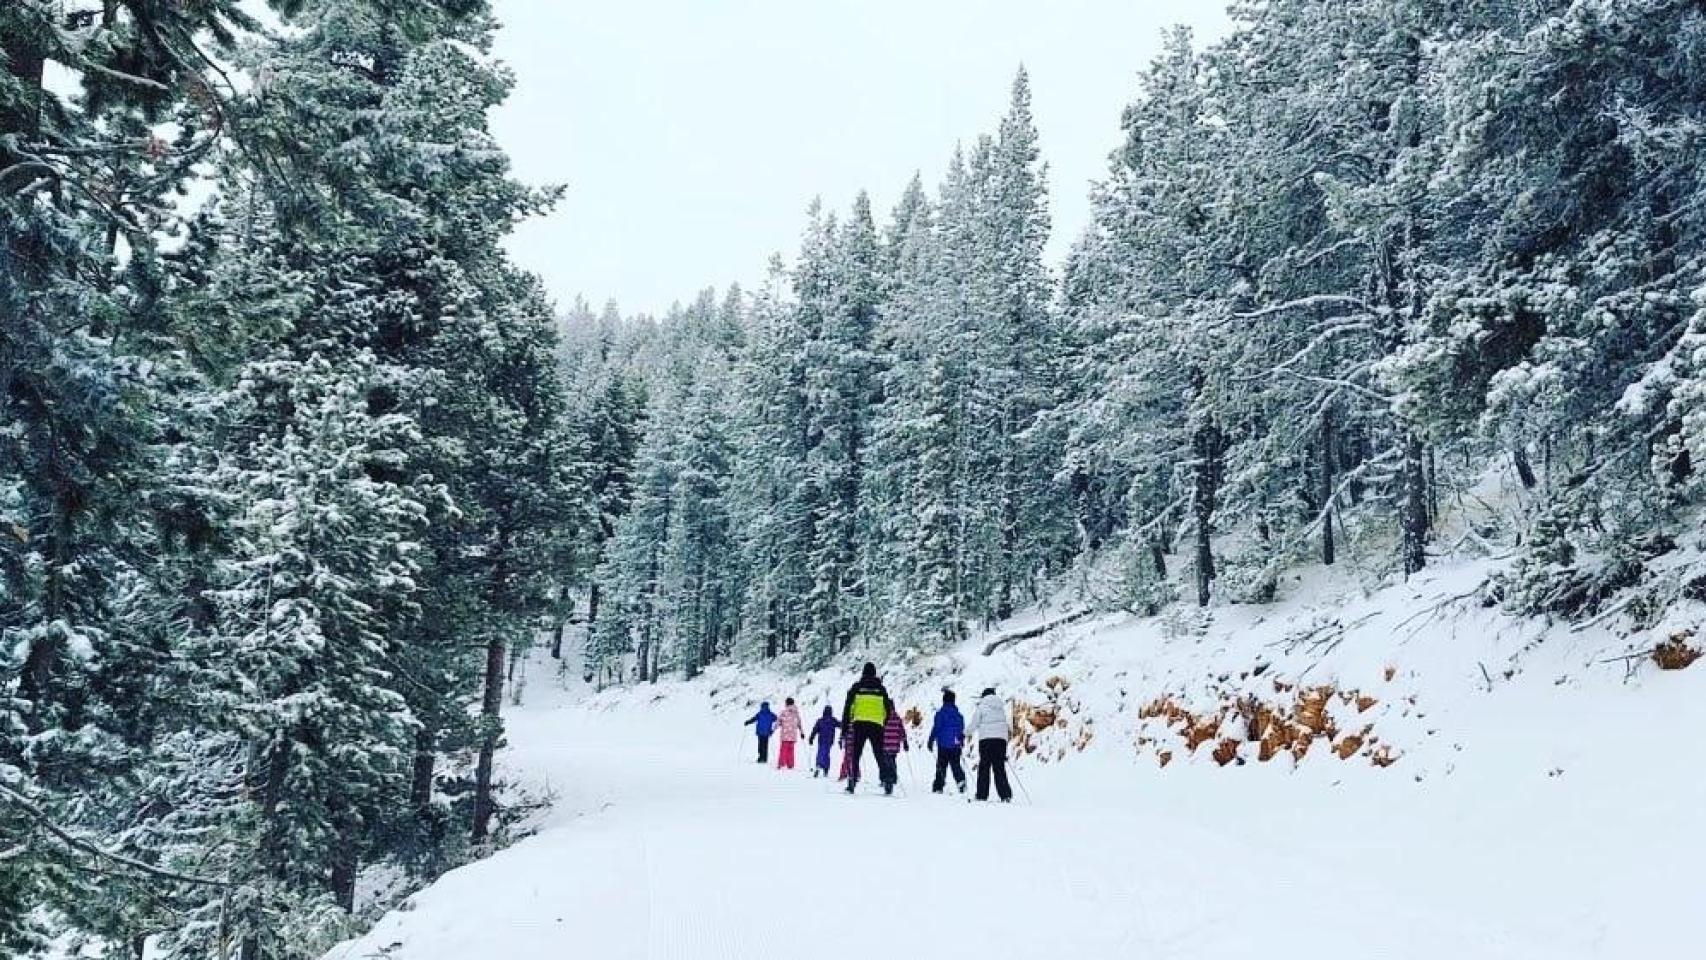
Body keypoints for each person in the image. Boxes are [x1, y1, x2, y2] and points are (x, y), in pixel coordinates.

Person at [840, 662, 896, 794]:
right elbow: (888, 709)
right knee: (879, 754)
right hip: (877, 724)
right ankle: (887, 780)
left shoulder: (856, 687)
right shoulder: (881, 689)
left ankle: (852, 780)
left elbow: (847, 708)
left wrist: (845, 728)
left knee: (856, 754)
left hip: (859, 723)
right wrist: (883, 721)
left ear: (863, 672)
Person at [970, 687, 1012, 802]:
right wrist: (1005, 742)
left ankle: (981, 795)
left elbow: (974, 723)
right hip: (1000, 741)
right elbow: (1006, 725)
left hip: (986, 741)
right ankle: (1005, 795)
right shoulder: (1001, 708)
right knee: (999, 768)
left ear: (984, 696)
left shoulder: (982, 707)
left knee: (984, 768)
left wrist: (964, 733)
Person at [926, 688, 967, 794]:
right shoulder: (959, 716)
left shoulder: (940, 714)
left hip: (943, 744)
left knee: (941, 765)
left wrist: (931, 740)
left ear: (944, 701)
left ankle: (938, 786)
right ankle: (960, 780)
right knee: (955, 764)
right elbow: (961, 731)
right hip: (955, 744)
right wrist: (961, 742)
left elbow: (936, 728)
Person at [881, 697, 910, 792]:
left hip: (884, 745)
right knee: (892, 761)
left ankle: (886, 780)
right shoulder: (897, 718)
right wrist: (905, 742)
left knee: (885, 763)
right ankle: (893, 778)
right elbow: (902, 731)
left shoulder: (882, 717)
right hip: (894, 745)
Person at [808, 706, 839, 778]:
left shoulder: (820, 720)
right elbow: (841, 725)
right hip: (829, 740)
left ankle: (819, 765)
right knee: (826, 754)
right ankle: (825, 769)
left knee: (821, 752)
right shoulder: (833, 720)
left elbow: (815, 730)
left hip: (821, 740)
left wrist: (811, 738)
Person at [776, 697, 803, 770]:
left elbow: (778, 722)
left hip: (785, 734)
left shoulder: (783, 712)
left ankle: (781, 764)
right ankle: (790, 764)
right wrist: (801, 732)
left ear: (786, 703)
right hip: (793, 735)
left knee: (783, 750)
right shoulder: (796, 713)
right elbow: (799, 723)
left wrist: (773, 729)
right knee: (791, 750)